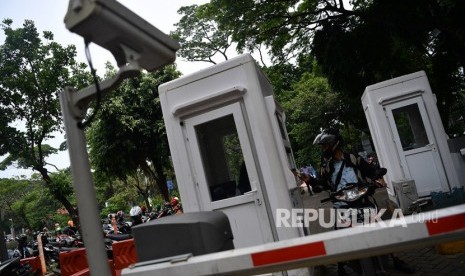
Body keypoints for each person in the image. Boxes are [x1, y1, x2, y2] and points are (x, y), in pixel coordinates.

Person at [303, 128, 413, 274]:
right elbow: (322, 184)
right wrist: (310, 180)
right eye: (323, 146)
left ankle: (395, 258)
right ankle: (341, 266)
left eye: (325, 145)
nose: (324, 149)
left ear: (334, 143)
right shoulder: (326, 165)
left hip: (363, 200)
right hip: (342, 205)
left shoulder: (353, 158)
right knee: (339, 237)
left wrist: (378, 178)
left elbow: (371, 171)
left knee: (382, 230)